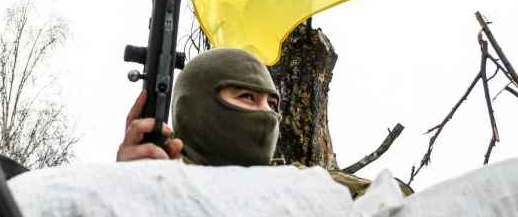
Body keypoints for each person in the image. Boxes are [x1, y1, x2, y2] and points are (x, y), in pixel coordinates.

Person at [116, 48, 377, 197]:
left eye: (272, 104)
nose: (265, 114)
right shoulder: (164, 182)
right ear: (196, 107)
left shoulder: (297, 182)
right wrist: (130, 186)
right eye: (247, 97)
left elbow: (396, 202)